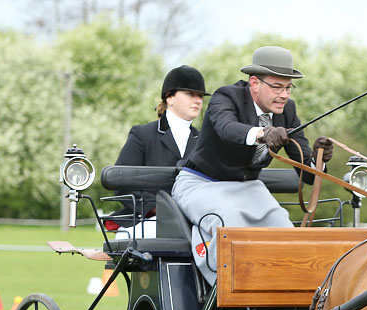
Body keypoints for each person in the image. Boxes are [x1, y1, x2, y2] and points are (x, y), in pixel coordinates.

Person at [172, 46, 334, 286]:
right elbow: (227, 129)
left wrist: (318, 159)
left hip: (248, 187)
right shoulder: (225, 97)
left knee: (283, 227)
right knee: (228, 222)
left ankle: (289, 294)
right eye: (277, 87)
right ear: (255, 83)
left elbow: (307, 173)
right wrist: (262, 133)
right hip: (200, 183)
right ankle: (224, 291)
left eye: (288, 87)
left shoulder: (286, 111)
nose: (284, 95)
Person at [109, 65, 209, 236]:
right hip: (147, 220)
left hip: (194, 220)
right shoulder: (142, 135)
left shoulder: (204, 142)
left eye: (200, 96)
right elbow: (121, 183)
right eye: (190, 94)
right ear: (169, 98)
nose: (198, 100)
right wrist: (157, 208)